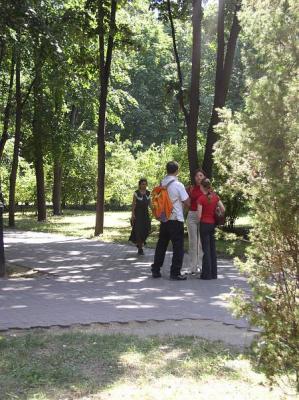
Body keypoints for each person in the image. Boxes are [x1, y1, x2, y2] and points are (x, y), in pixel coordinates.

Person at [151, 161, 190, 280]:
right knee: (178, 247)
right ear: (177, 171)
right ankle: (175, 272)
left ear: (166, 170)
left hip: (164, 218)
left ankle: (156, 270)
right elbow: (187, 202)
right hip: (175, 219)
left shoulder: (162, 183)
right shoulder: (178, 185)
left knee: (161, 245)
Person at [197, 178, 225, 280]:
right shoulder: (215, 197)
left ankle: (206, 274)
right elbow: (223, 209)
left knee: (206, 250)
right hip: (212, 224)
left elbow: (199, 215)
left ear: (202, 187)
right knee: (212, 249)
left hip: (204, 225)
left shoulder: (201, 199)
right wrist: (215, 211)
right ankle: (214, 274)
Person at [186, 169, 206, 275]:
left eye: (201, 176)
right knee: (193, 242)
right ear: (194, 178)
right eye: (197, 176)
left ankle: (201, 265)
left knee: (201, 243)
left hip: (203, 217)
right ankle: (192, 267)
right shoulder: (191, 188)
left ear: (204, 177)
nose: (199, 177)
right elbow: (185, 201)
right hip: (192, 216)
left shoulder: (207, 189)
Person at [129, 179, 151, 255]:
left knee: (147, 229)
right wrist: (132, 215)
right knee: (138, 230)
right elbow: (133, 204)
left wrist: (156, 212)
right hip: (138, 214)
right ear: (139, 185)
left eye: (145, 184)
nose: (144, 185)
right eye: (142, 184)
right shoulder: (136, 193)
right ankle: (140, 248)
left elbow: (150, 205)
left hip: (146, 214)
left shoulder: (148, 193)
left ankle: (140, 243)